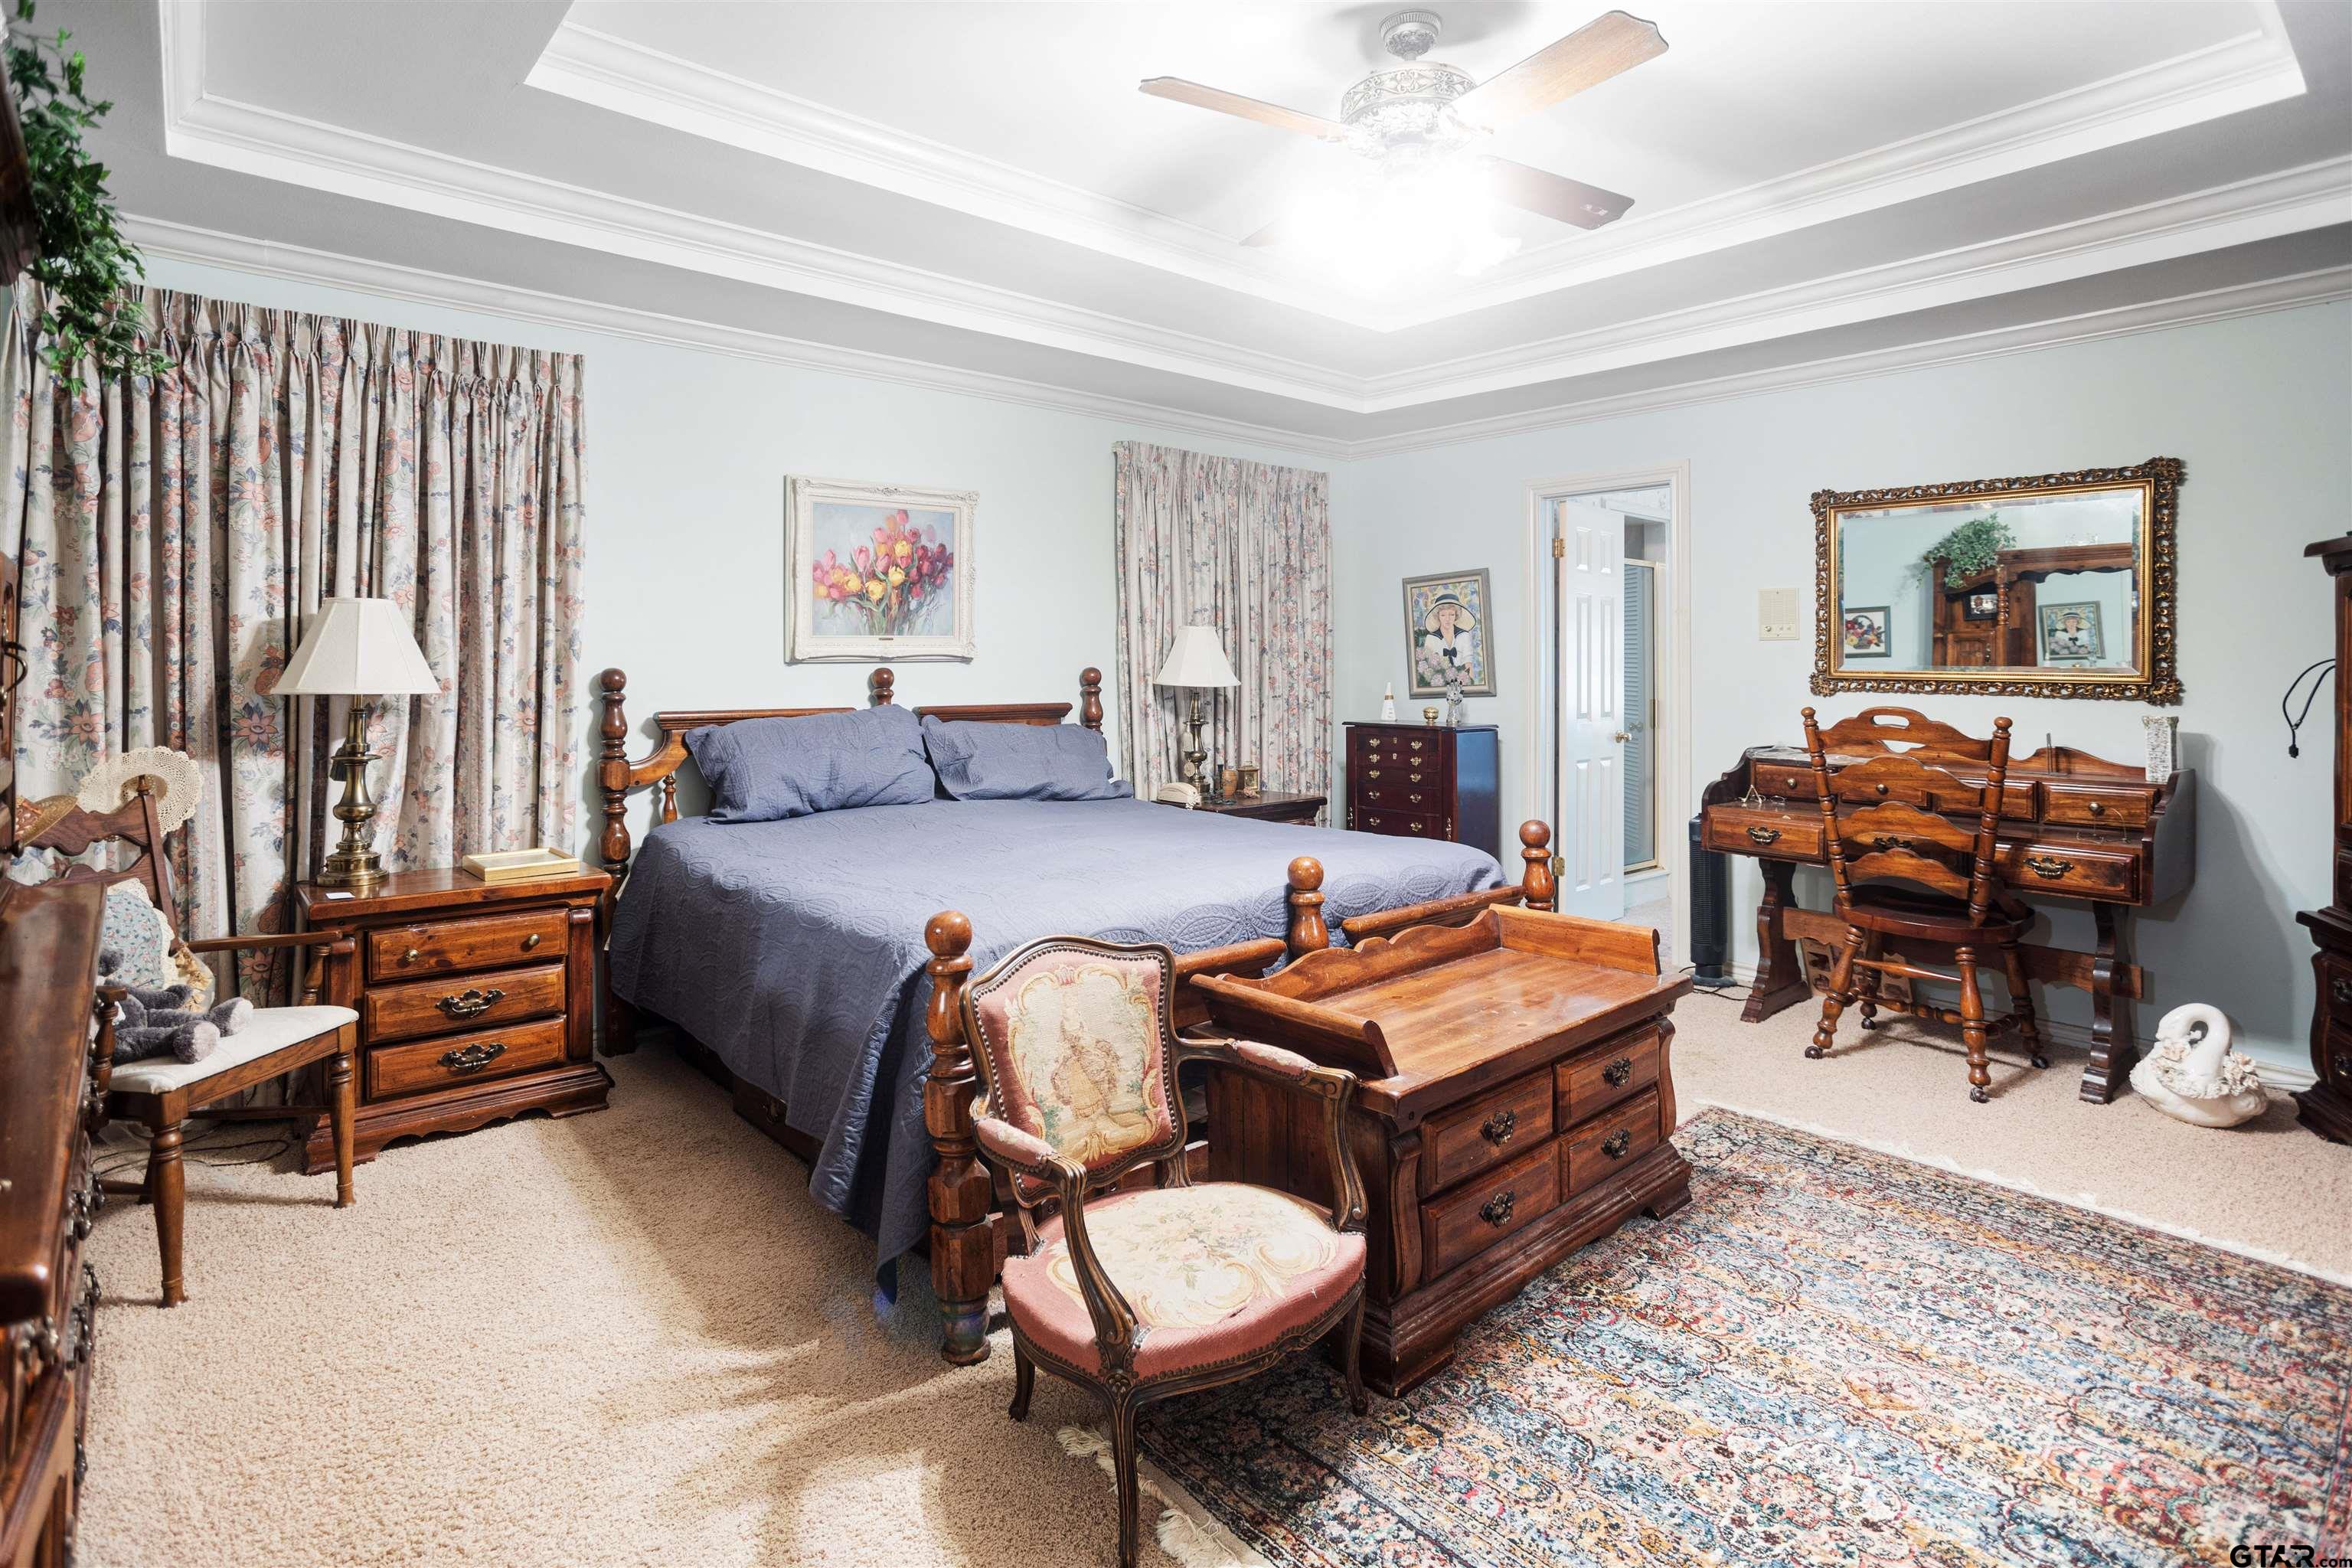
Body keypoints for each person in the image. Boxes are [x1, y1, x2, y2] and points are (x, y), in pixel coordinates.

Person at [1419, 592, 1481, 685]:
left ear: (1456, 615)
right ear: (1438, 616)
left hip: (1462, 686)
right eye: (1443, 615)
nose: (1447, 619)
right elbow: (1428, 670)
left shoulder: (1464, 635)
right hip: (1439, 687)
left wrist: (1471, 687)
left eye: (1451, 614)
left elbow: (1469, 664)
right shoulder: (1431, 638)